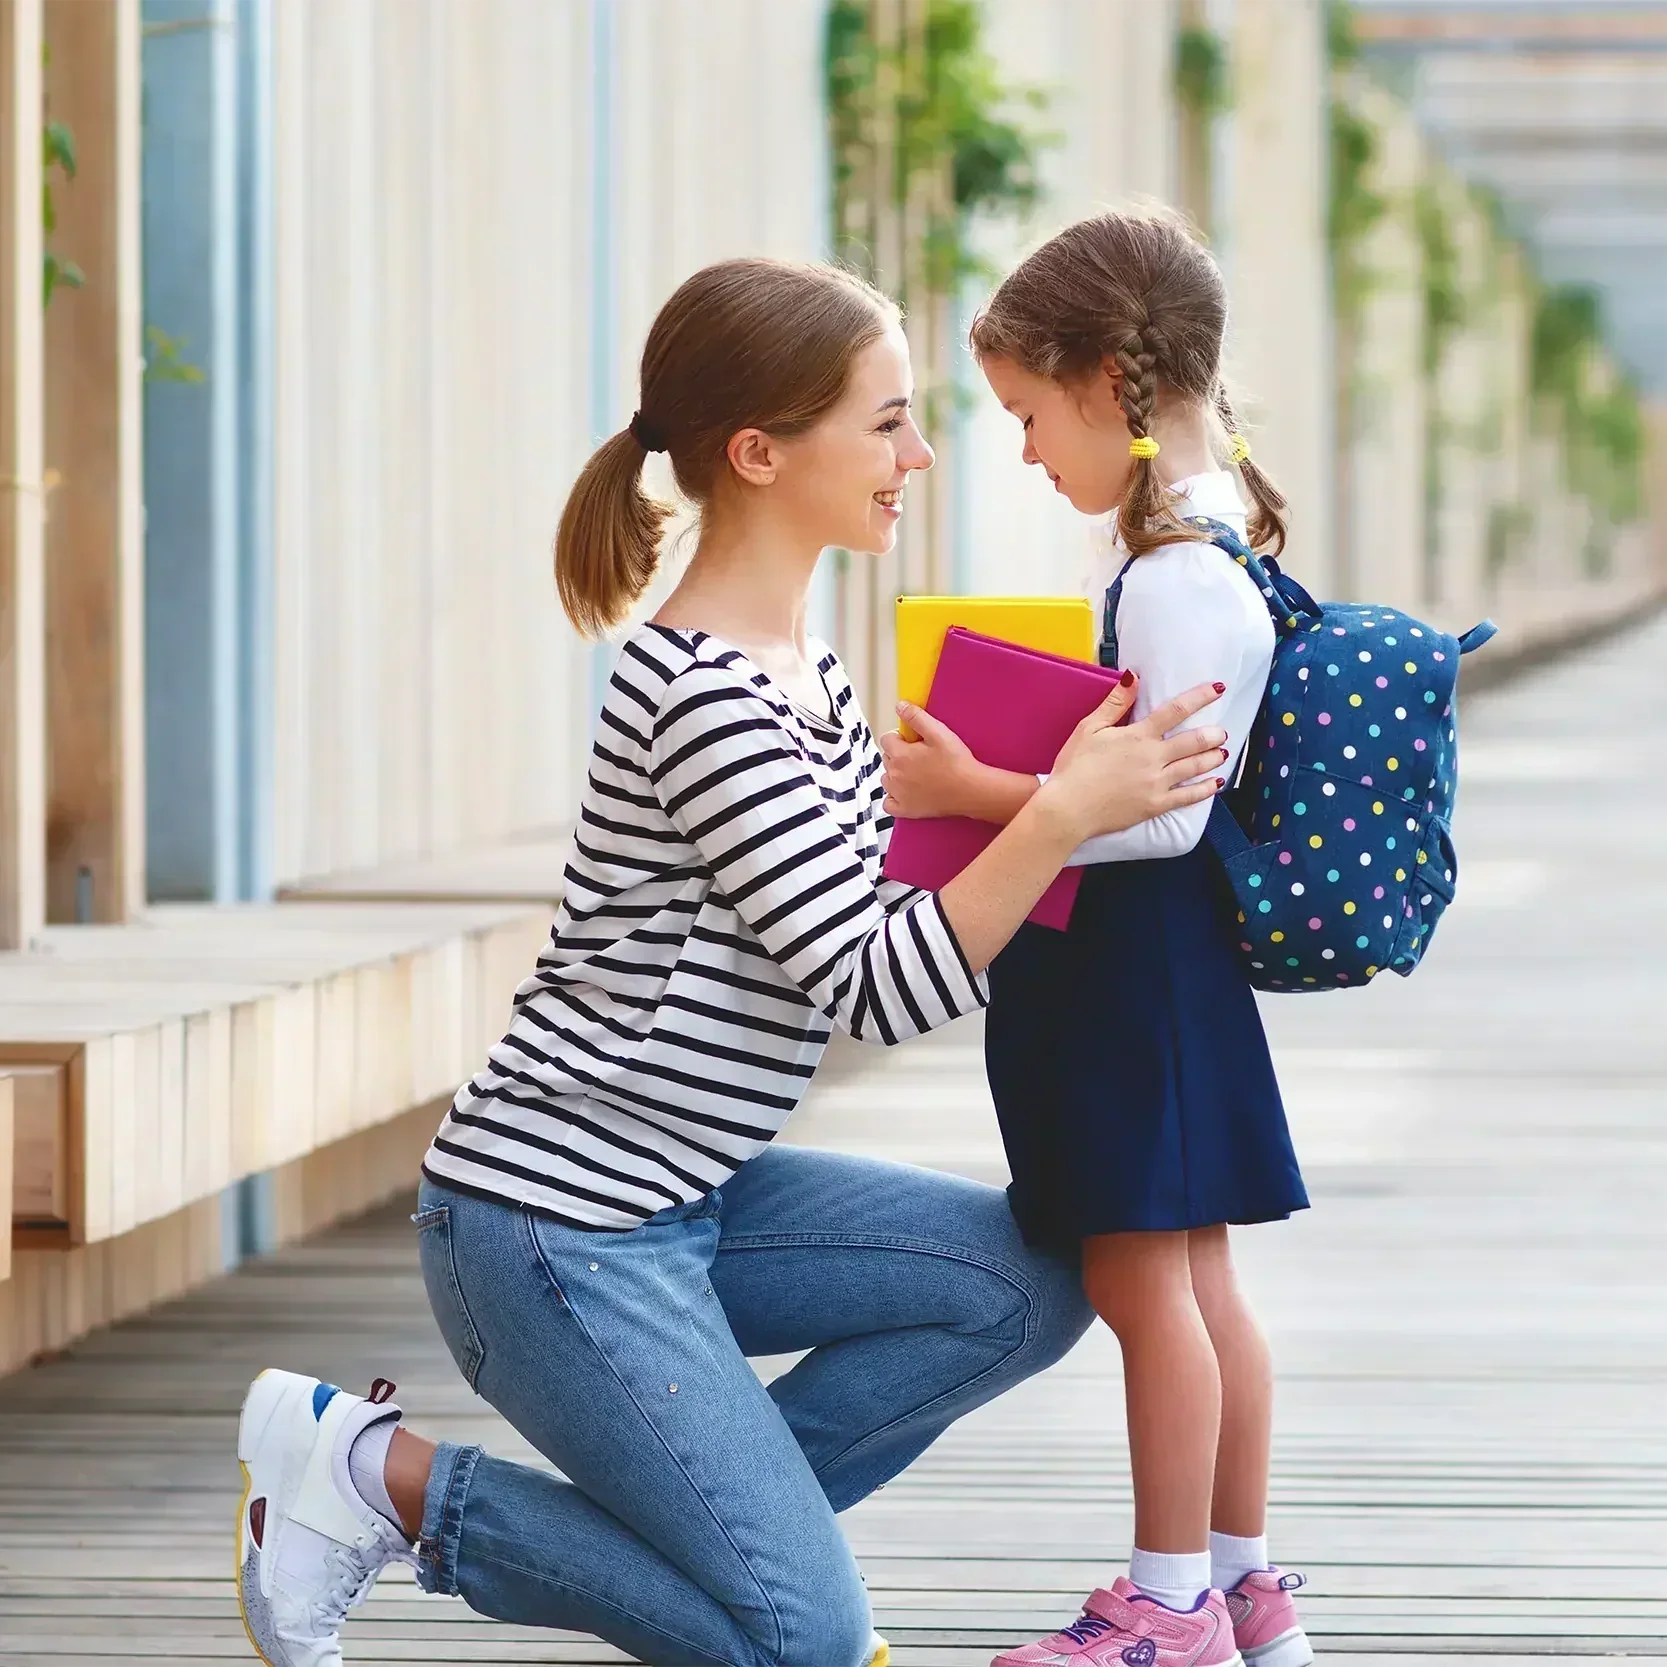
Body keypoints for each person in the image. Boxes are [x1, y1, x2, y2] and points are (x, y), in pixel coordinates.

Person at [232, 256, 1233, 1667]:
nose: (921, 452)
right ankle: (371, 1479)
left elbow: (816, 867)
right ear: (758, 453)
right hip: (554, 1224)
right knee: (798, 1640)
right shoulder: (703, 693)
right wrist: (1062, 811)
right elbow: (875, 987)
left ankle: (725, 1533)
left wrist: (974, 792)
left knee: (1027, 1284)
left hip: (687, 1192)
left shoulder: (800, 668)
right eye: (885, 421)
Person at [880, 210, 1313, 1667]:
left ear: (1105, 379)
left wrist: (966, 787)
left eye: (1021, 412)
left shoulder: (1176, 572)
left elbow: (1155, 818)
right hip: (1148, 977)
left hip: (1127, 977)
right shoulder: (1198, 549)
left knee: (1147, 1288)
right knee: (1194, 1285)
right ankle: (1239, 1583)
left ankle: (1168, 1598)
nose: (1017, 451)